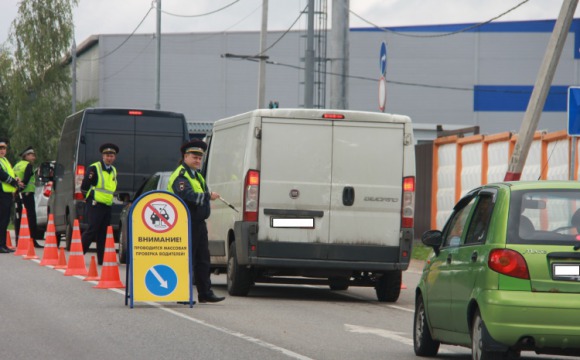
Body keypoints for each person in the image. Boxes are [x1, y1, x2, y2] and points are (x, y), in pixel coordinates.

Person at [167, 140, 225, 303]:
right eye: (194, 157)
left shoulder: (197, 175)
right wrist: (208, 196)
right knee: (186, 259)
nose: (198, 161)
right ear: (185, 156)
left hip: (198, 222)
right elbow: (188, 196)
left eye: (200, 158)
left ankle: (205, 293)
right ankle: (182, 294)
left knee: (203, 259)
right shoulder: (181, 175)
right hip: (186, 223)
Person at [81, 143, 119, 265]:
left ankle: (101, 260)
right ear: (103, 156)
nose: (110, 158)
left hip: (107, 205)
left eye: (112, 156)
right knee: (92, 230)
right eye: (107, 155)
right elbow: (84, 186)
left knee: (103, 233)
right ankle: (78, 254)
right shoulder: (95, 168)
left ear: (115, 157)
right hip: (95, 203)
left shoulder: (113, 170)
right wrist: (88, 199)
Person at [13, 146, 42, 248]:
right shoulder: (28, 166)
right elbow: (25, 180)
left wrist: (16, 190)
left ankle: (18, 240)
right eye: (32, 155)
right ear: (26, 156)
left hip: (17, 194)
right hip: (27, 194)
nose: (34, 157)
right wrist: (21, 188)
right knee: (31, 218)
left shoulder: (17, 165)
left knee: (18, 217)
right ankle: (32, 240)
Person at [0, 138, 23, 253]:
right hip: (1, 193)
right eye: (0, 148)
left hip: (7, 193)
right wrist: (13, 182)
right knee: (2, 220)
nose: (2, 150)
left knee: (5, 220)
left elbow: (10, 172)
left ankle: (3, 244)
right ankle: (1, 245)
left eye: (4, 148)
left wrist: (16, 178)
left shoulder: (5, 160)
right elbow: (2, 175)